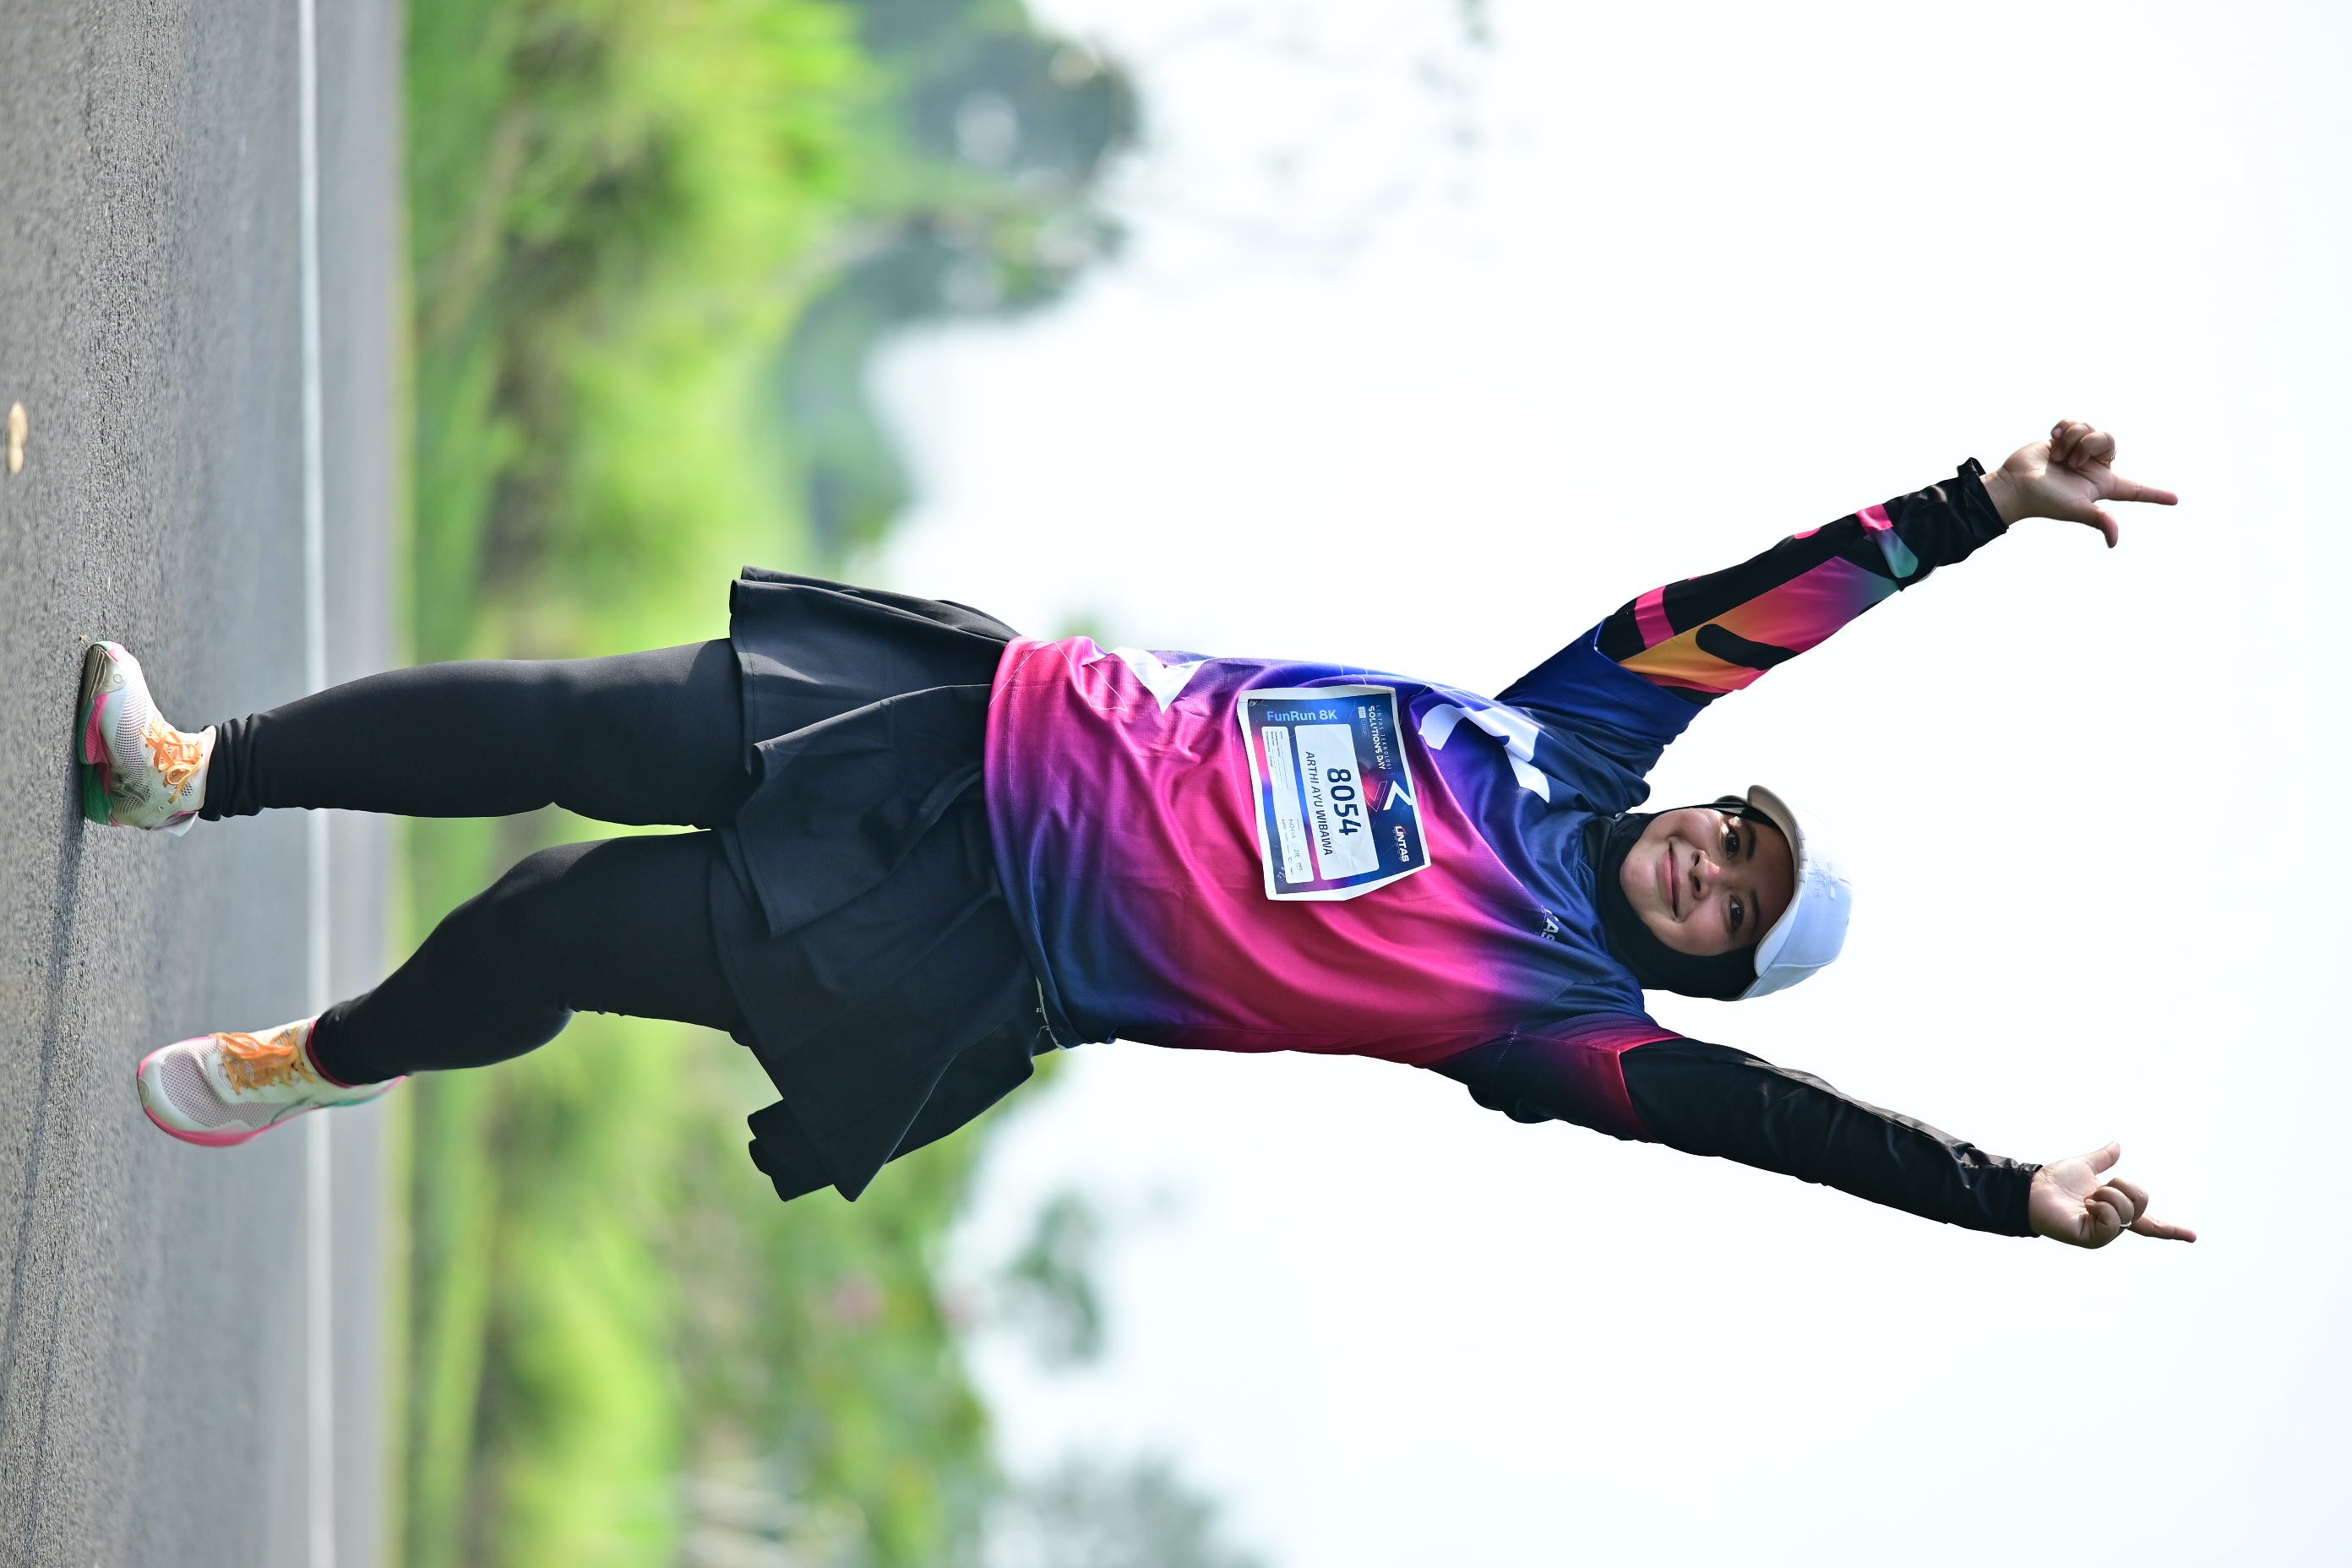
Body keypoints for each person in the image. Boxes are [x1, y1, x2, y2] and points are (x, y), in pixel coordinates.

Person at [86, 420, 2194, 1250]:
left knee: (554, 917)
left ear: (1703, 968)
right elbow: (1756, 604)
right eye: (1732, 834)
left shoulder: (1558, 1023)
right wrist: (1974, 510)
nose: (1708, 868)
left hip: (971, 944)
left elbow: (1776, 1130)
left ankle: (316, 1062)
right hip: (966, 720)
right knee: (571, 722)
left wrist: (2004, 1190)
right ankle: (190, 767)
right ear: (1703, 796)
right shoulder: (1568, 734)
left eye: (1731, 909)